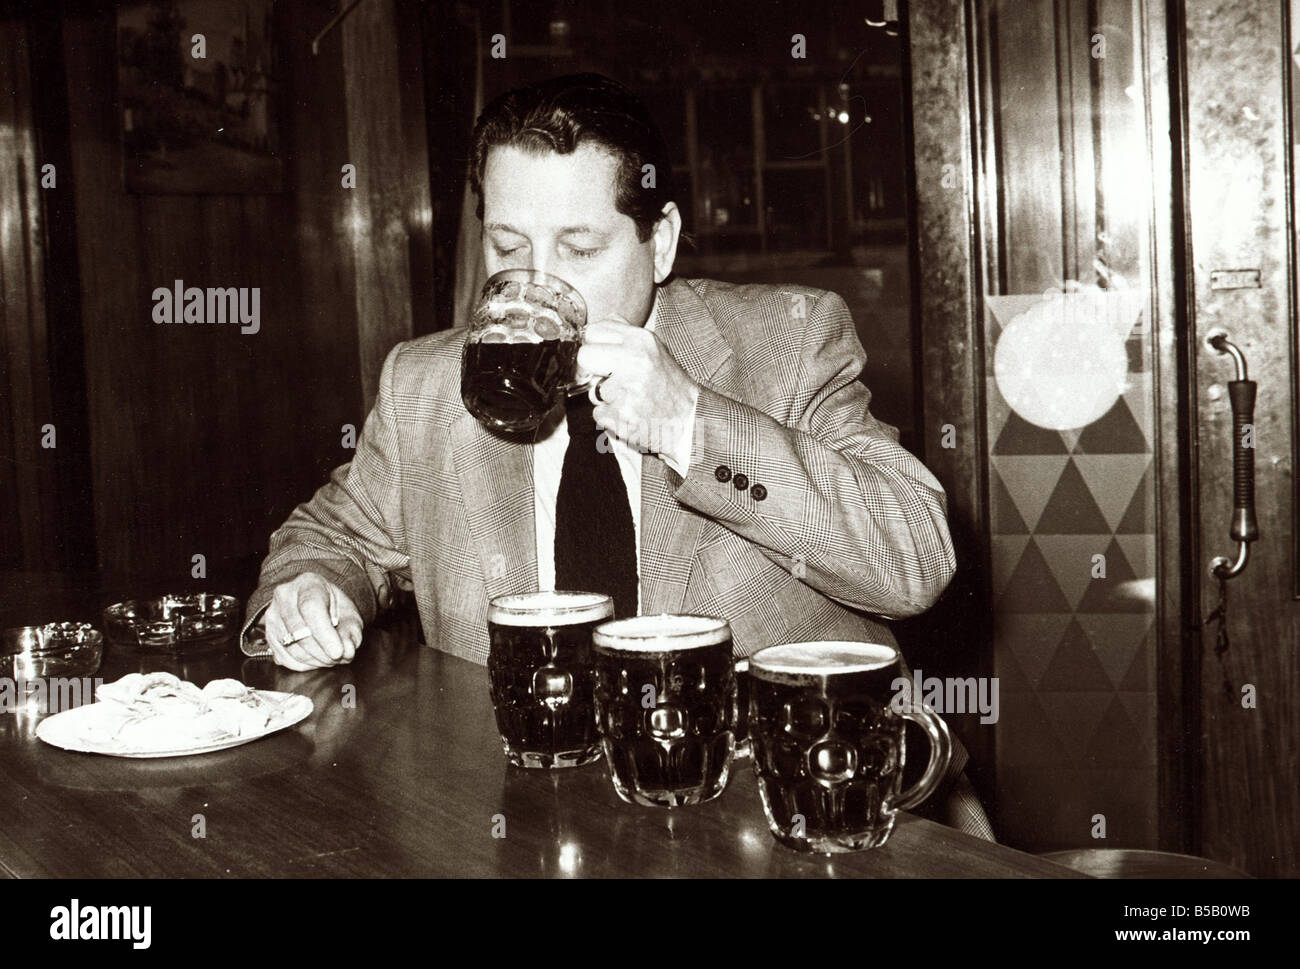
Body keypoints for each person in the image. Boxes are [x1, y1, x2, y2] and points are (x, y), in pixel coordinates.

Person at [243, 73, 990, 837]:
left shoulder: (787, 343)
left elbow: (917, 558)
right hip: (530, 827)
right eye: (508, 247)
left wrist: (695, 424)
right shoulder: (426, 387)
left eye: (580, 247)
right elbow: (330, 536)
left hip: (802, 822)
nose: (539, 286)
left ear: (659, 241)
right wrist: (311, 590)